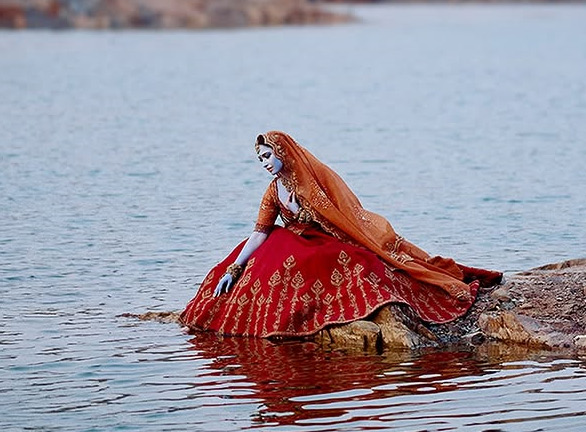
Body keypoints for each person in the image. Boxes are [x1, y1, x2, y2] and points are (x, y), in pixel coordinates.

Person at [181, 131, 502, 338]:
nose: (264, 163)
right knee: (267, 257)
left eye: (267, 156)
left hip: (322, 239)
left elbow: (340, 217)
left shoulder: (310, 183)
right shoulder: (272, 192)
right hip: (289, 241)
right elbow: (260, 231)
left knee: (356, 261)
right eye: (260, 159)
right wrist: (235, 267)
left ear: (283, 152)